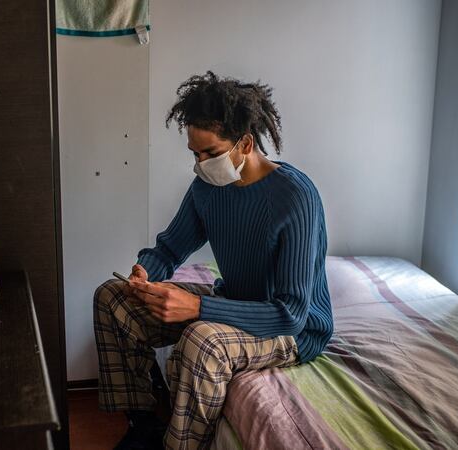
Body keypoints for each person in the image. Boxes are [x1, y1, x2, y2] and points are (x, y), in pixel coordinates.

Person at [93, 71, 333, 450]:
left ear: (245, 144)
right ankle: (142, 422)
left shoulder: (295, 198)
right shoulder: (208, 188)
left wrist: (198, 308)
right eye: (194, 154)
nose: (200, 164)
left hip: (293, 329)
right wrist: (146, 272)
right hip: (236, 302)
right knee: (113, 297)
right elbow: (170, 249)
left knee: (200, 340)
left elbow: (291, 313)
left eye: (210, 154)